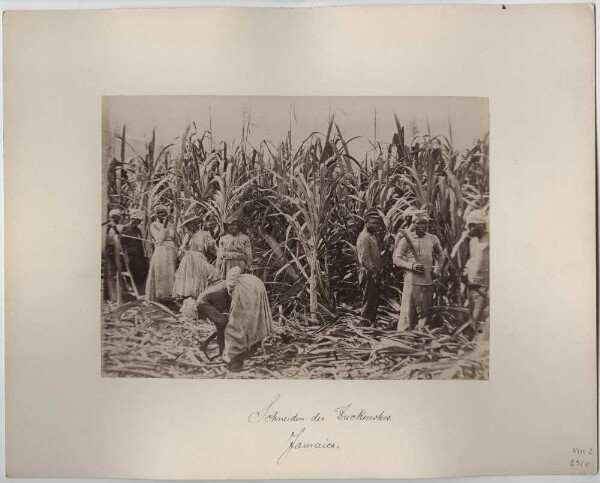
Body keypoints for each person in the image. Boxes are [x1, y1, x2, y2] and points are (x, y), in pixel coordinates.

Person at [188, 267, 274, 372]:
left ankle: (235, 363)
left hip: (243, 287)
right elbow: (222, 321)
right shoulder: (206, 294)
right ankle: (251, 349)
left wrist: (220, 348)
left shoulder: (201, 304)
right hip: (253, 282)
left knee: (234, 329)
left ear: (195, 311)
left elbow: (222, 323)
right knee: (252, 320)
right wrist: (209, 340)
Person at [393, 212, 445, 331]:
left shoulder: (433, 238)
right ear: (413, 224)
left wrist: (436, 271)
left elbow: (441, 256)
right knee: (408, 311)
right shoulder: (406, 239)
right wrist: (411, 265)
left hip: (428, 281)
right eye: (419, 223)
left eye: (425, 224)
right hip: (412, 281)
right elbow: (396, 259)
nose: (422, 226)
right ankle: (402, 336)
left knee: (426, 311)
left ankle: (423, 335)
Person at [172, 214, 218, 299]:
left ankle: (198, 296)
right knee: (188, 260)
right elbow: (181, 252)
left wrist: (220, 252)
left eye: (192, 223)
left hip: (200, 258)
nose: (191, 225)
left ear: (195, 222)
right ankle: (188, 296)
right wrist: (187, 240)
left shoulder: (204, 234)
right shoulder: (187, 236)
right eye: (188, 224)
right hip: (188, 260)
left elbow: (212, 246)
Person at [463, 209, 490, 342]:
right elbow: (471, 259)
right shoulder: (473, 241)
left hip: (483, 286)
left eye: (473, 225)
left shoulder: (490, 240)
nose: (471, 229)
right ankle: (476, 338)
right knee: (473, 316)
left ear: (482, 224)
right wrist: (465, 271)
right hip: (471, 284)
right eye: (469, 226)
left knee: (479, 316)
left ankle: (479, 339)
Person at [356, 208, 383, 325]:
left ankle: (370, 325)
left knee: (372, 301)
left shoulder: (371, 236)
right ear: (366, 223)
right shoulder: (364, 237)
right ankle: (364, 328)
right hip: (369, 274)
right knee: (368, 301)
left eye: (377, 223)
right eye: (373, 223)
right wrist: (373, 272)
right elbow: (363, 260)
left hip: (373, 273)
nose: (376, 226)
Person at [145, 204, 177, 302]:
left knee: (170, 272)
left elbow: (173, 237)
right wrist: (164, 225)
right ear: (156, 215)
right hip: (161, 250)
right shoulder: (154, 225)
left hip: (170, 250)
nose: (162, 217)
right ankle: (160, 296)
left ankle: (170, 296)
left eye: (164, 215)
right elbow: (159, 239)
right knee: (161, 272)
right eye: (160, 215)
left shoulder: (171, 225)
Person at [120, 209, 149, 297]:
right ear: (132, 219)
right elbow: (121, 242)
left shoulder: (138, 230)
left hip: (139, 254)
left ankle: (141, 291)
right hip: (130, 254)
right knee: (134, 271)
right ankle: (135, 291)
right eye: (136, 220)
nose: (137, 222)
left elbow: (141, 243)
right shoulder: (125, 228)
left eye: (139, 221)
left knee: (144, 269)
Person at [103, 208, 125, 303]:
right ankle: (109, 296)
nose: (114, 219)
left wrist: (114, 227)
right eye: (112, 217)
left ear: (119, 218)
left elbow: (120, 236)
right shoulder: (106, 227)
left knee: (117, 273)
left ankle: (118, 296)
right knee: (108, 272)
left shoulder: (120, 227)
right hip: (108, 250)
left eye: (116, 217)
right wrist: (108, 227)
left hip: (117, 251)